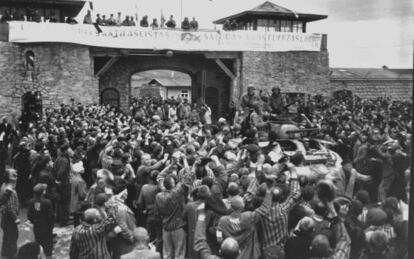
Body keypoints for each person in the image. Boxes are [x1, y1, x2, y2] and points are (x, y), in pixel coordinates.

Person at [154, 175, 188, 259]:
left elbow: (156, 214)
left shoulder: (158, 196)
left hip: (165, 227)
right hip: (178, 226)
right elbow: (185, 180)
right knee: (179, 254)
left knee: (167, 254)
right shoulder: (177, 193)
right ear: (173, 184)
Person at [27, 184, 54, 259]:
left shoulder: (31, 202)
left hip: (37, 226)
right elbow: (51, 216)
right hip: (46, 227)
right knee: (48, 246)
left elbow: (29, 216)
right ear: (43, 192)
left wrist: (34, 221)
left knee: (38, 243)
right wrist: (51, 226)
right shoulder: (47, 202)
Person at [0, 169, 19, 259]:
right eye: (14, 176)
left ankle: (5, 252)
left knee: (7, 236)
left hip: (4, 217)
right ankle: (12, 255)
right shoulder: (10, 190)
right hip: (10, 218)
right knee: (13, 236)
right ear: (10, 178)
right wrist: (16, 218)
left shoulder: (3, 186)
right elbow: (10, 207)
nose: (16, 178)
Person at [54, 144, 72, 226]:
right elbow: (61, 172)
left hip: (60, 183)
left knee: (60, 201)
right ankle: (64, 220)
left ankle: (58, 217)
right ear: (65, 151)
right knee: (65, 202)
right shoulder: (64, 160)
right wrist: (59, 179)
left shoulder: (58, 158)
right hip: (64, 183)